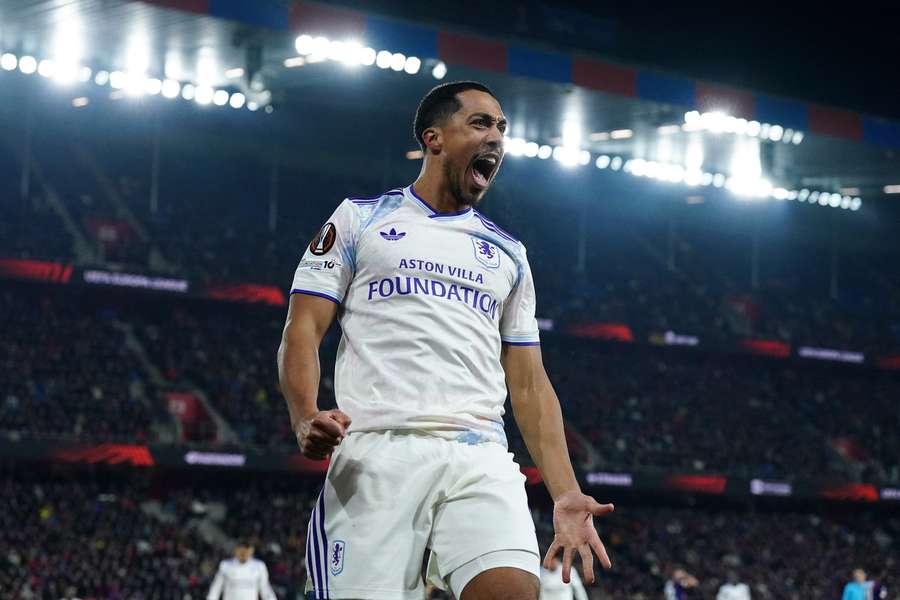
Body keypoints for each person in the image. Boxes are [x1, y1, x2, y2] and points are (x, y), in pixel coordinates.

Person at [278, 80, 615, 600]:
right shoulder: (359, 219)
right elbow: (303, 329)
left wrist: (566, 493)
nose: (497, 138)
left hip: (479, 454)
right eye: (481, 124)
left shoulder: (508, 253)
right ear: (433, 138)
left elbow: (528, 384)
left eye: (502, 128)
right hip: (378, 454)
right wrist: (304, 413)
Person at [207, 540, 276, 600]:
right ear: (236, 550)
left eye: (247, 550)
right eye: (241, 550)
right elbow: (216, 589)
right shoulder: (225, 566)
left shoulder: (259, 566)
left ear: (251, 551)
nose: (244, 553)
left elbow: (265, 589)